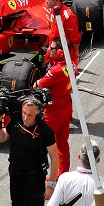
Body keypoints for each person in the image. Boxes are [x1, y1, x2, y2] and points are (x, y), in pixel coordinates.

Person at [35, 44, 74, 173]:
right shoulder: (72, 64)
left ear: (60, 51)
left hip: (54, 113)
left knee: (41, 144)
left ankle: (40, 175)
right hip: (67, 107)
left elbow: (37, 85)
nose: (49, 50)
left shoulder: (55, 71)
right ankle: (62, 176)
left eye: (51, 48)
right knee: (63, 145)